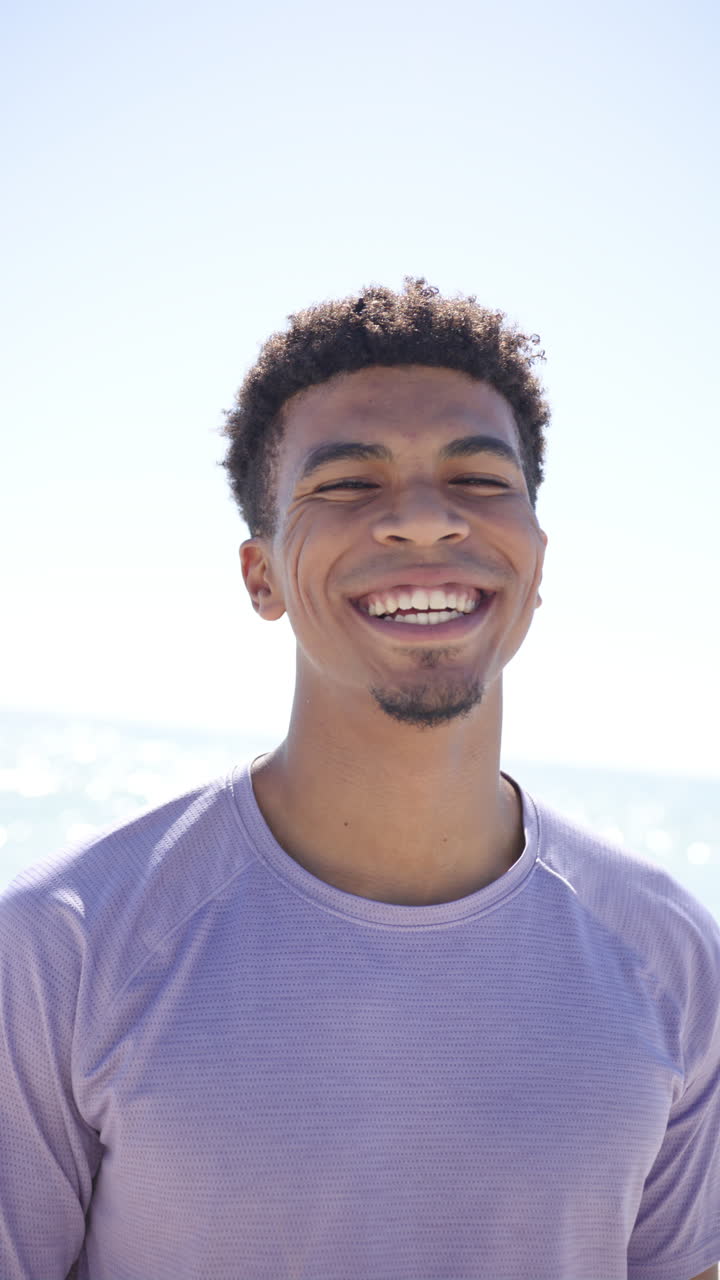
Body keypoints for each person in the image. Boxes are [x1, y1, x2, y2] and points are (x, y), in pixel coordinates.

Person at [1, 278, 718, 1280]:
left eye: (479, 477)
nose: (423, 521)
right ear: (260, 575)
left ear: (538, 559)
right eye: (346, 484)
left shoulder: (673, 954)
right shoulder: (60, 947)